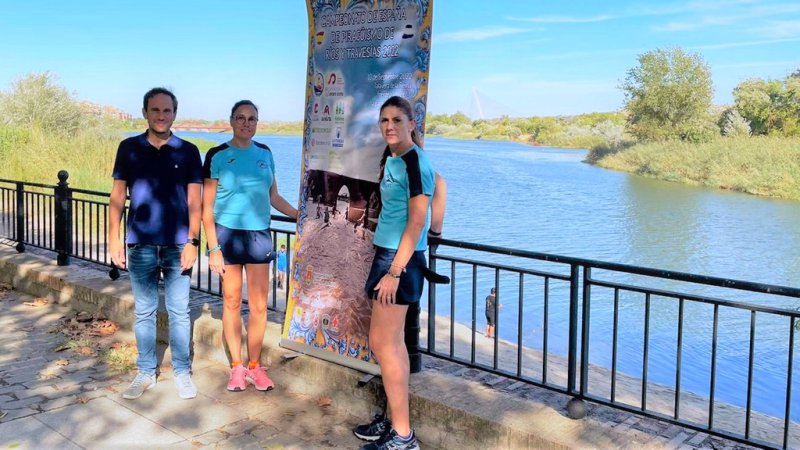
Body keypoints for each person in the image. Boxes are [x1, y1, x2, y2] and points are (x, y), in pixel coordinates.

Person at [352, 96, 437, 450]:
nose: (389, 126)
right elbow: (439, 188)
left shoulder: (416, 161)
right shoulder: (395, 158)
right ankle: (395, 425)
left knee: (384, 345)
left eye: (397, 120)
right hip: (388, 254)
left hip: (400, 260)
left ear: (412, 124)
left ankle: (403, 436)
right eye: (384, 120)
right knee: (392, 346)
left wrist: (396, 271)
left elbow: (417, 220)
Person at [109, 87, 202, 400]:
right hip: (141, 244)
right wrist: (114, 239)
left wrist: (193, 241)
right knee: (144, 313)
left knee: (179, 312)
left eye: (167, 110)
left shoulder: (188, 151)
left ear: (174, 114)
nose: (161, 116)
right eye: (155, 110)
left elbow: (195, 202)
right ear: (145, 113)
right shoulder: (129, 148)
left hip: (178, 246)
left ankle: (182, 372)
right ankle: (145, 371)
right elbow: (117, 197)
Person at [202, 100, 298, 392]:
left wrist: (299, 216)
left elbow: (274, 197)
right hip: (227, 235)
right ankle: (236, 367)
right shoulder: (217, 155)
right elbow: (206, 208)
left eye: (252, 118)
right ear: (231, 120)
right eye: (241, 117)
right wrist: (213, 248)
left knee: (258, 306)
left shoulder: (265, 153)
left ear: (258, 122)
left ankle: (255, 366)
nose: (246, 123)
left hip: (258, 235)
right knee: (231, 302)